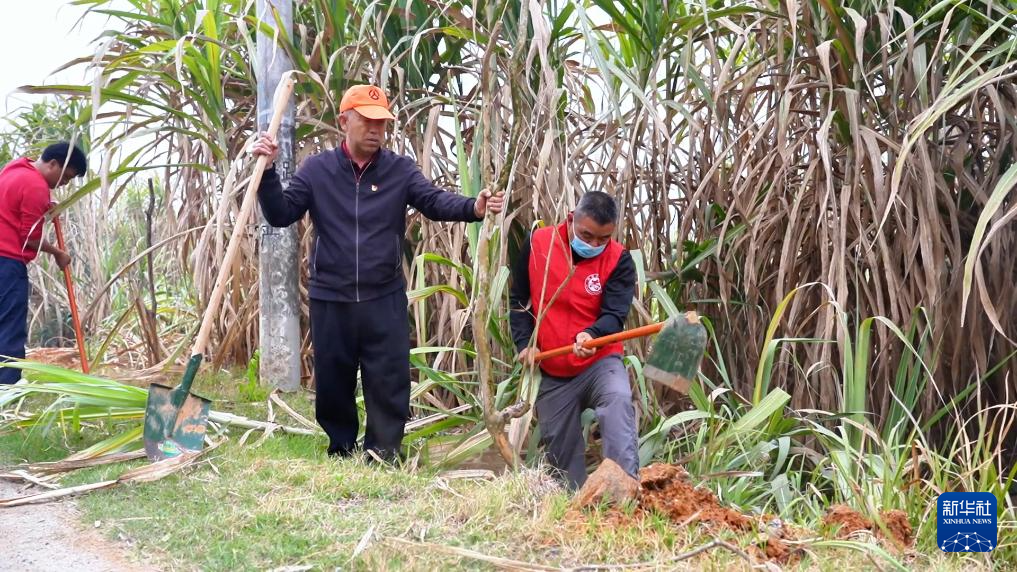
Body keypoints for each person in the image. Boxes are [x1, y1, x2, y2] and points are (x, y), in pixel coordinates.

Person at [252, 84, 504, 461]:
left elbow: (433, 201)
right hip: (331, 296)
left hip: (383, 296)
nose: (375, 130)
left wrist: (474, 208)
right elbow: (281, 213)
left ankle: (383, 452)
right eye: (367, 121)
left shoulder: (399, 170)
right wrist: (268, 171)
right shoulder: (318, 170)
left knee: (388, 378)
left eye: (381, 123)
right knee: (333, 380)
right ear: (344, 121)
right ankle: (341, 449)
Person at [509, 191, 638, 489]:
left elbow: (614, 315)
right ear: (571, 219)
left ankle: (626, 494)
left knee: (617, 401)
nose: (593, 245)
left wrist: (592, 335)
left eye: (602, 239)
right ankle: (574, 506)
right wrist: (524, 344)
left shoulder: (618, 259)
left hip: (600, 362)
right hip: (553, 368)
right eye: (586, 235)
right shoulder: (538, 244)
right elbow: (518, 301)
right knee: (562, 461)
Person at [0, 142, 87, 384]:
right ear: (53, 164)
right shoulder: (36, 186)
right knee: (10, 325)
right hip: (7, 263)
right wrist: (58, 253)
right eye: (66, 177)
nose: (64, 184)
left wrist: (46, 206)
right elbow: (30, 239)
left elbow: (14, 204)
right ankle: (7, 386)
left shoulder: (15, 168)